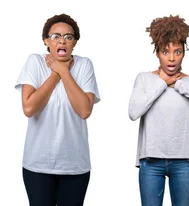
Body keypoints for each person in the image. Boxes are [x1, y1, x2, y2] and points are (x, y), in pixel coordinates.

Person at [128, 15, 189, 206]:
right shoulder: (144, 79)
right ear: (157, 53)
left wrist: (178, 84)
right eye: (165, 52)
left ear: (183, 53)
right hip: (151, 161)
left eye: (177, 52)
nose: (171, 58)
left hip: (183, 161)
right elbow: (134, 112)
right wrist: (162, 83)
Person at [15, 13, 101, 206]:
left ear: (75, 42)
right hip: (37, 165)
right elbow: (29, 108)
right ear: (46, 40)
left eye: (68, 37)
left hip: (75, 167)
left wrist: (64, 71)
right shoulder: (35, 62)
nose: (62, 41)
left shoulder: (84, 65)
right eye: (56, 36)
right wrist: (57, 72)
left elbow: (84, 111)